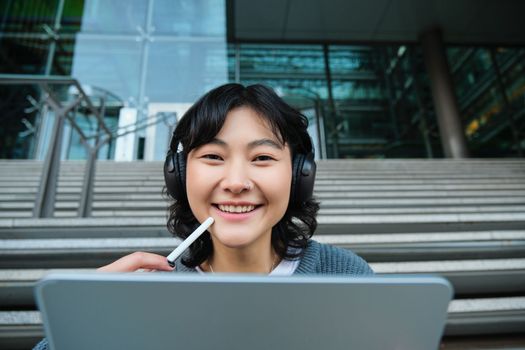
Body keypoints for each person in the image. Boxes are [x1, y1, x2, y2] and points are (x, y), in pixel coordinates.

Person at [33, 83, 371, 350]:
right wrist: (83, 324)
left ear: (300, 175)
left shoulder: (347, 275)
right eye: (212, 156)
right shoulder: (140, 297)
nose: (237, 182)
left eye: (263, 157)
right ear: (179, 174)